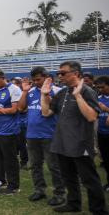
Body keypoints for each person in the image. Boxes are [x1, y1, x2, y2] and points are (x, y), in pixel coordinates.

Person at [41, 61, 108, 214]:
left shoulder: (87, 91)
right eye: (58, 73)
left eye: (63, 73)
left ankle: (98, 209)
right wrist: (44, 95)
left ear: (76, 74)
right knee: (68, 177)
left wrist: (78, 96)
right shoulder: (62, 92)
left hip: (80, 144)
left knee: (89, 180)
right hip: (62, 143)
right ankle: (74, 203)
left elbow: (91, 117)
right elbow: (46, 112)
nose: (60, 76)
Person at [17, 67, 65, 206]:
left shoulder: (57, 91)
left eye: (39, 79)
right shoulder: (30, 92)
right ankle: (39, 189)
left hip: (50, 134)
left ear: (46, 77)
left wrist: (46, 93)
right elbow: (20, 108)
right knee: (35, 165)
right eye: (34, 80)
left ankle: (59, 193)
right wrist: (25, 91)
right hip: (32, 135)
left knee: (53, 166)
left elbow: (54, 111)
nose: (36, 82)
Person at [0, 68, 22, 195]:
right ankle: (0, 180)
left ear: (3, 78)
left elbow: (14, 109)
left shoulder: (14, 89)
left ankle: (14, 185)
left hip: (8, 131)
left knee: (10, 159)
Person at [96, 76, 109, 192]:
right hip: (101, 133)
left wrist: (107, 110)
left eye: (103, 87)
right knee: (105, 159)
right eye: (98, 87)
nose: (100, 89)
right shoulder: (98, 98)